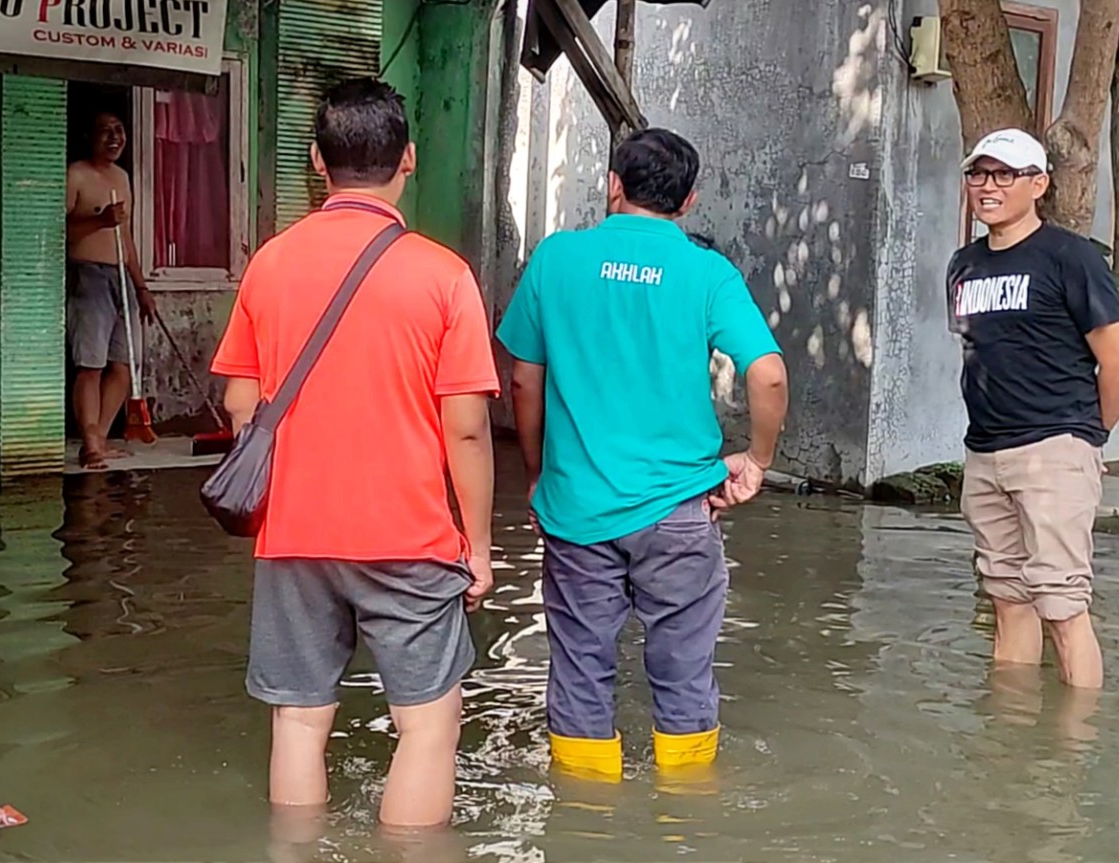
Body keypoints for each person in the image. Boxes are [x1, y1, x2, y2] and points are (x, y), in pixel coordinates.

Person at [210, 78, 498, 827]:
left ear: (316, 160)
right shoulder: (444, 275)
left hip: (293, 535)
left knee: (299, 722)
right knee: (427, 727)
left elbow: (240, 403)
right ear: (409, 159)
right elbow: (467, 429)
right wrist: (478, 546)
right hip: (409, 536)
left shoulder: (271, 262)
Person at [496, 128, 789, 780]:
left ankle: (584, 813)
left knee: (580, 667)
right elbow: (767, 374)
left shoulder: (556, 259)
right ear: (687, 201)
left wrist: (539, 474)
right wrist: (757, 461)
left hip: (577, 510)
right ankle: (684, 811)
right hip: (680, 510)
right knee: (684, 668)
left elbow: (523, 380)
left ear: (613, 185)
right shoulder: (706, 272)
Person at [947, 128, 1119, 689]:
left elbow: (1118, 364)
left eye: (1004, 175)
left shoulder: (1070, 257)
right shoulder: (964, 264)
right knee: (1006, 599)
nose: (988, 186)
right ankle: (1012, 728)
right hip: (985, 452)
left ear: (1038, 184)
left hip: (1055, 447)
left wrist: (1090, 438)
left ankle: (1076, 735)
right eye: (978, 174)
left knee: (1062, 604)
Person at [66, 110, 157, 470]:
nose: (114, 137)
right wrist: (99, 220)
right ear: (89, 137)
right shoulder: (76, 174)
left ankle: (100, 439)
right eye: (105, 131)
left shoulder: (122, 177)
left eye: (119, 130)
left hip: (121, 277)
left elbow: (125, 237)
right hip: (87, 275)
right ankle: (89, 444)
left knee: (124, 365)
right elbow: (59, 230)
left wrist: (141, 286)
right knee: (90, 364)